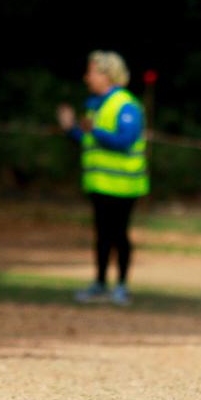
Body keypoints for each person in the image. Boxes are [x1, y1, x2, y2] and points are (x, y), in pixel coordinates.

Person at [57, 50, 147, 305]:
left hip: (124, 185)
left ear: (107, 75)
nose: (87, 78)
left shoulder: (125, 104)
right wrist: (70, 129)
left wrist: (93, 130)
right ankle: (99, 283)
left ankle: (121, 286)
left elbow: (125, 140)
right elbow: (89, 140)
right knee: (103, 235)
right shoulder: (94, 104)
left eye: (92, 72)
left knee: (119, 234)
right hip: (99, 184)